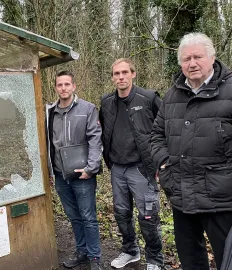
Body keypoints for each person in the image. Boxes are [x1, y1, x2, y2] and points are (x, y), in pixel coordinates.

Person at [150, 33, 232, 270]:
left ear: (212, 57)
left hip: (221, 197)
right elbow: (156, 135)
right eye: (186, 59)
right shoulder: (172, 95)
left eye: (198, 57)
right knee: (191, 259)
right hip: (181, 194)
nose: (192, 63)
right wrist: (164, 165)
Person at [99, 58, 164, 270]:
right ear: (112, 77)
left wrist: (160, 161)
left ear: (133, 74)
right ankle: (130, 251)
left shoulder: (149, 98)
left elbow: (165, 129)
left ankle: (155, 260)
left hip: (141, 169)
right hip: (117, 168)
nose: (121, 77)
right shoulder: (107, 102)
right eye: (116, 74)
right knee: (121, 213)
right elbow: (104, 133)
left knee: (148, 216)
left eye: (125, 72)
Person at [46, 71, 103, 270]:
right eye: (60, 85)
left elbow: (95, 140)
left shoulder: (87, 109)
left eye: (67, 84)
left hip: (82, 174)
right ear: (55, 87)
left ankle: (95, 257)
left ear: (74, 86)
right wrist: (51, 172)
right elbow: (47, 143)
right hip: (61, 175)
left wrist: (91, 168)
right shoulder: (49, 112)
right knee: (74, 216)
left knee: (88, 216)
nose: (63, 88)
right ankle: (82, 252)